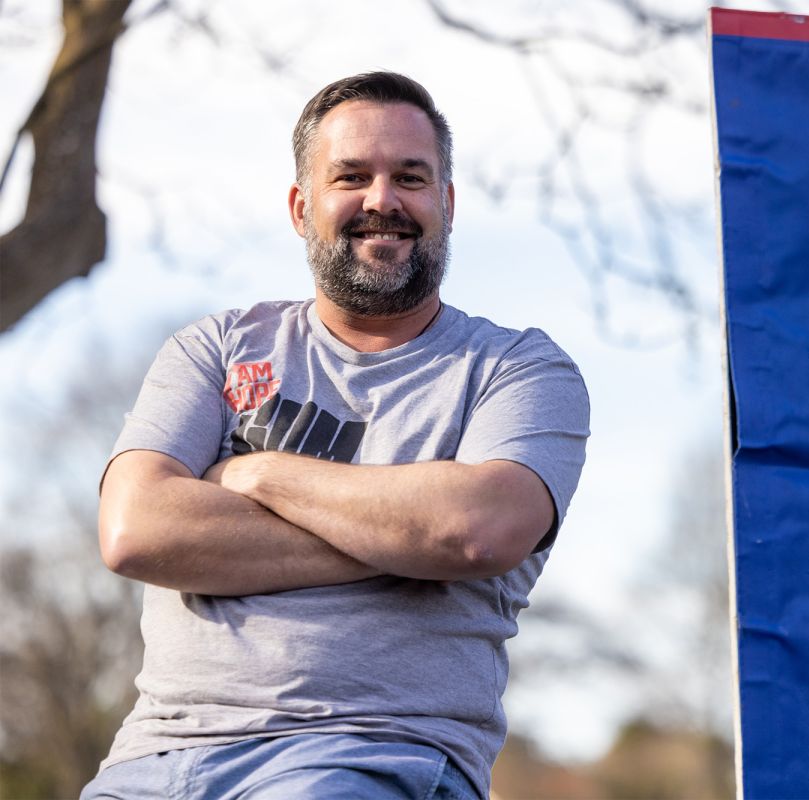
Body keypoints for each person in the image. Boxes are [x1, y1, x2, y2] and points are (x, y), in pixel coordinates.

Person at [82, 71, 590, 800]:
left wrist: (257, 476)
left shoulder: (518, 370)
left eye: (410, 178)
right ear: (301, 206)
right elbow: (134, 530)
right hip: (154, 760)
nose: (382, 199)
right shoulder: (214, 349)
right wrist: (405, 536)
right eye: (351, 176)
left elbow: (476, 531)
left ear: (446, 204)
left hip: (374, 759)